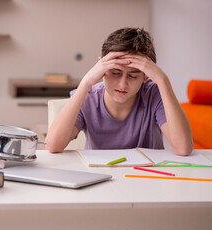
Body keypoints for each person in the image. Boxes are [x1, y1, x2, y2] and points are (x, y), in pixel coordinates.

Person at [45, 27, 193, 155]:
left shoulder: (154, 94)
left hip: (147, 179)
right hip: (99, 177)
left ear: (146, 75)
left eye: (133, 76)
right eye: (115, 73)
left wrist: (163, 80)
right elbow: (53, 145)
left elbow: (183, 148)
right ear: (101, 68)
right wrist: (86, 82)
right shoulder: (87, 96)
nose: (122, 84)